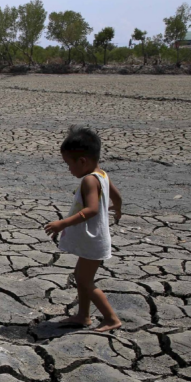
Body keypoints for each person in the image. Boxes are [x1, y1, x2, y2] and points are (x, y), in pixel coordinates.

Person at [45, 125, 123, 332]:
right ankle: (83, 316)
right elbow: (117, 196)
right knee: (80, 277)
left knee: (86, 282)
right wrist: (118, 209)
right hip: (95, 238)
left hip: (94, 240)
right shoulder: (102, 175)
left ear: (82, 161)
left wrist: (63, 223)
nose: (69, 170)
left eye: (69, 165)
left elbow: (92, 210)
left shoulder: (89, 180)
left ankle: (111, 318)